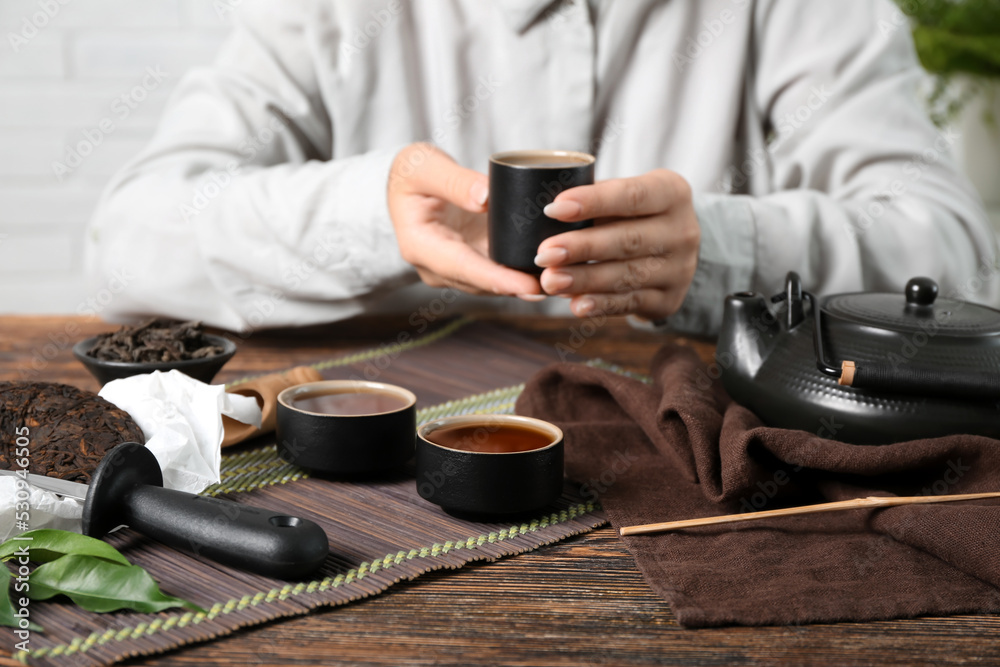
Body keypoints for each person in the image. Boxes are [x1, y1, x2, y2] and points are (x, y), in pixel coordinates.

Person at [84, 0, 999, 336]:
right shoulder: (326, 13)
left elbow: (951, 253)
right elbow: (129, 246)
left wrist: (719, 248)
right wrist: (377, 214)